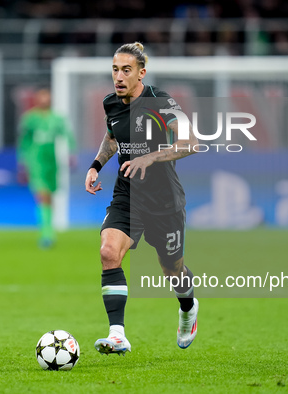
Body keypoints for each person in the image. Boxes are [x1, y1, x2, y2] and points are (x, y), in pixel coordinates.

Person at [85, 42, 199, 355]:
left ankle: (188, 308)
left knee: (173, 270)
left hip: (164, 202)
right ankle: (118, 334)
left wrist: (151, 157)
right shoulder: (112, 103)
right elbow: (112, 136)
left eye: (126, 70)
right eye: (115, 69)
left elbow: (191, 143)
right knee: (109, 252)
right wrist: (96, 165)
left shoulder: (161, 102)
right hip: (127, 194)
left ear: (141, 73)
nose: (118, 76)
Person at [18, 87, 76, 248]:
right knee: (42, 194)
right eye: (42, 97)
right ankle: (47, 233)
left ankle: (48, 229)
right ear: (37, 99)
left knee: (49, 195)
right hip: (36, 159)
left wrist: (71, 154)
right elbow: (24, 141)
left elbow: (67, 135)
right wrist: (23, 162)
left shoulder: (57, 118)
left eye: (47, 97)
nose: (45, 100)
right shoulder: (30, 118)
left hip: (52, 160)